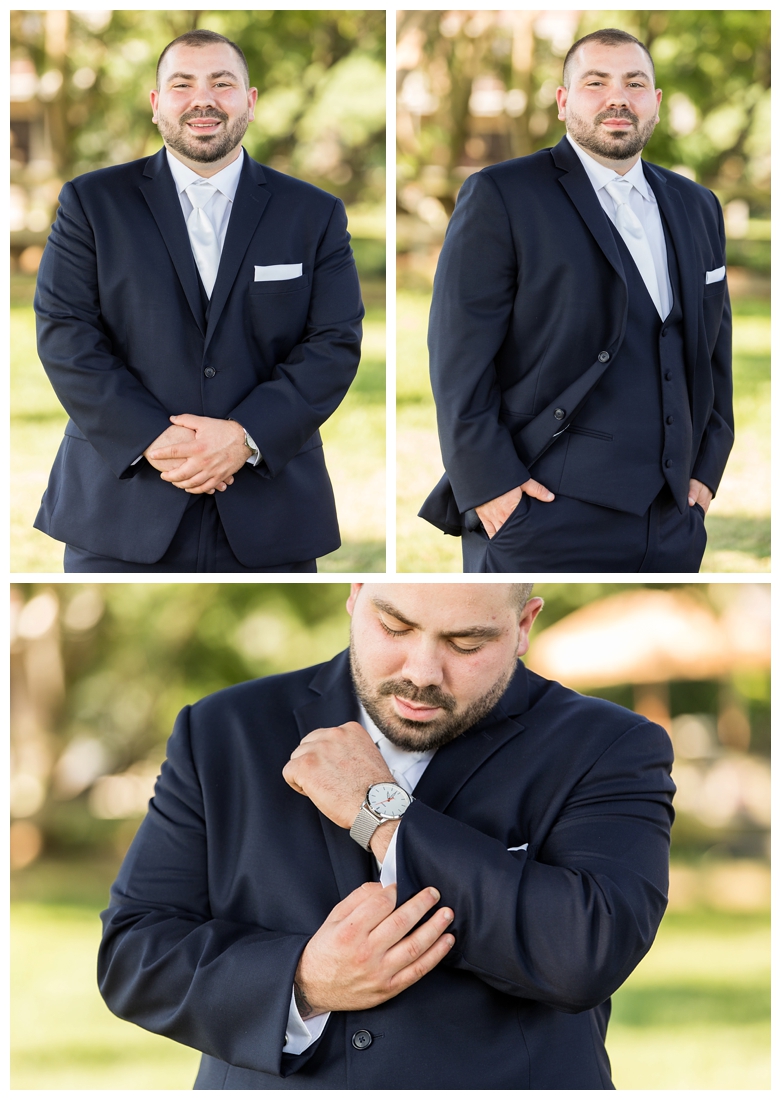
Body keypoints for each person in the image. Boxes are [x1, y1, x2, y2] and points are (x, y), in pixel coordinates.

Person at [98, 582, 675, 1089]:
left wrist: (382, 814)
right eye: (394, 626)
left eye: (465, 644)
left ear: (523, 626)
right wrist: (303, 983)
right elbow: (135, 955)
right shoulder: (222, 728)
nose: (422, 672)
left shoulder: (612, 747)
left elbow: (586, 952)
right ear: (354, 596)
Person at [33, 30, 363, 572]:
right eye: (182, 84)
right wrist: (155, 440)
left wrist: (243, 437)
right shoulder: (91, 203)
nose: (202, 99)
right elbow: (66, 334)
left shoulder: (314, 213)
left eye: (222, 83)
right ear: (157, 104)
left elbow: (334, 343)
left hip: (268, 511)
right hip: (122, 508)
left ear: (250, 102)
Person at [419, 29, 732, 572]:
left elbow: (714, 353)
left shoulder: (697, 204)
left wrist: (706, 471)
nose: (618, 97)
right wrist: (492, 485)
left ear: (655, 104)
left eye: (636, 83)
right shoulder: (503, 194)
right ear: (564, 102)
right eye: (596, 82)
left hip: (675, 519)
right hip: (540, 511)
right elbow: (458, 356)